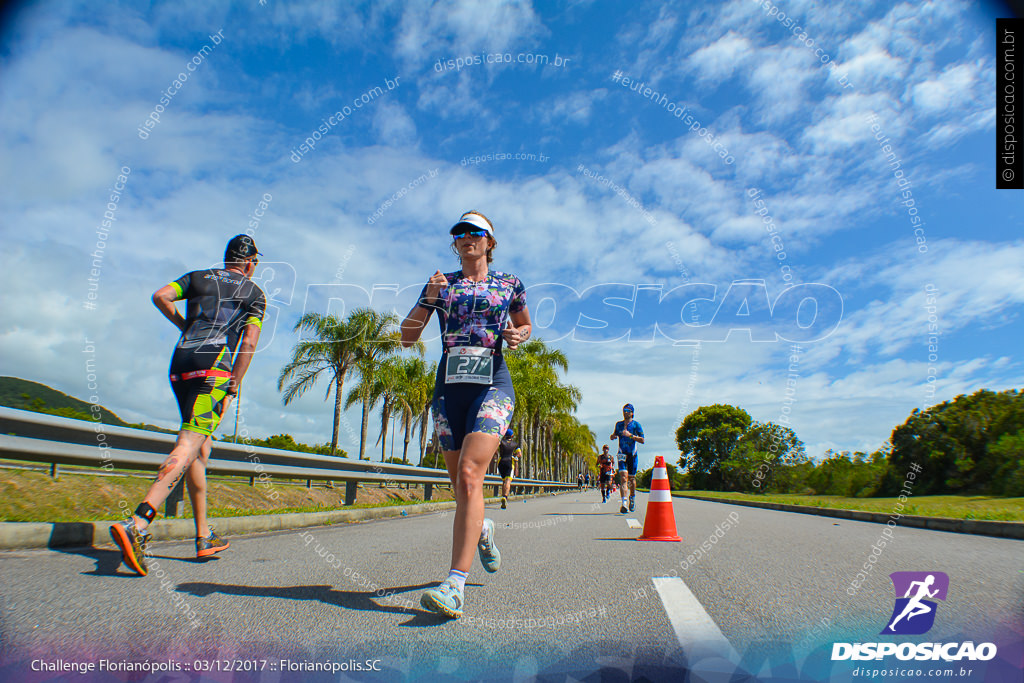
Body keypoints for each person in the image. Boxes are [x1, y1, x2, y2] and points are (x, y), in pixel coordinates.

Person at [400, 210, 531, 619]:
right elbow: (406, 337)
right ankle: (483, 528)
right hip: (448, 389)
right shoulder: (443, 284)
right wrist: (428, 296)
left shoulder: (510, 284)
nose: (467, 237)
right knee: (460, 484)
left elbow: (525, 325)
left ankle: (455, 585)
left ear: (490, 242)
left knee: (472, 476)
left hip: (493, 383)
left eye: (476, 232)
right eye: (459, 232)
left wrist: (517, 334)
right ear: (454, 243)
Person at [109, 235, 266, 576]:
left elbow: (160, 296)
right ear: (250, 263)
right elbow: (250, 341)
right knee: (188, 443)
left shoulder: (198, 277)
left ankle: (202, 535)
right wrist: (233, 385)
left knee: (200, 447)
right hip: (214, 368)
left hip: (181, 363)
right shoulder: (254, 294)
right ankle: (138, 523)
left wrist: (185, 326)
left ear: (228, 258)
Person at [610, 403, 644, 513]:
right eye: (624, 410)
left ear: (632, 413)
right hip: (622, 453)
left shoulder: (636, 425)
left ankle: (632, 497)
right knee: (623, 478)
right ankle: (624, 503)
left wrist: (630, 435)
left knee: (632, 479)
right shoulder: (618, 425)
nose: (626, 412)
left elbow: (642, 440)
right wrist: (613, 436)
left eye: (628, 410)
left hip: (632, 454)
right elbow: (614, 434)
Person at [496, 428, 521, 509]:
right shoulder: (515, 444)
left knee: (504, 481)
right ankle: (505, 497)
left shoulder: (501, 442)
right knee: (508, 481)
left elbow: (495, 449)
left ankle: (503, 497)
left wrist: (497, 455)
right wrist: (514, 456)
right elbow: (519, 454)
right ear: (512, 436)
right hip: (509, 462)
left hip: (501, 462)